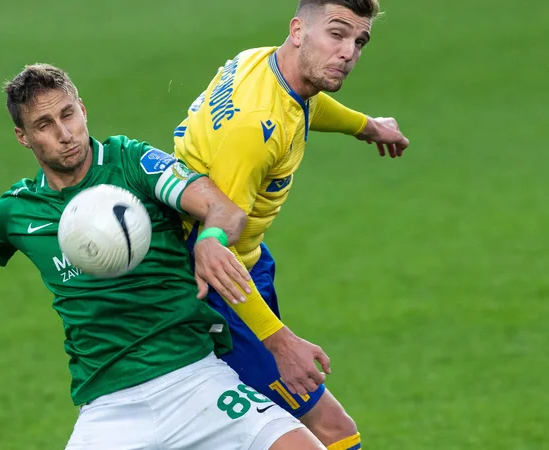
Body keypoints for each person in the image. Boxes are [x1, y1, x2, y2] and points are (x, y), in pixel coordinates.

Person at [0, 63, 329, 449]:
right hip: (110, 409)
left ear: (82, 108)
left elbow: (221, 208)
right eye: (46, 125)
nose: (66, 133)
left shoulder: (131, 162)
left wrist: (212, 239)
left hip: (195, 379)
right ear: (23, 137)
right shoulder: (17, 211)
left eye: (69, 114)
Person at [172, 1, 411, 449]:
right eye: (336, 35)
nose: (349, 52)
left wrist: (367, 127)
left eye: (359, 41)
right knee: (332, 429)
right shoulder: (253, 130)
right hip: (217, 286)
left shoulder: (260, 61)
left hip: (248, 264)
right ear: (298, 30)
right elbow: (215, 252)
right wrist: (280, 342)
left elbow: (304, 105)